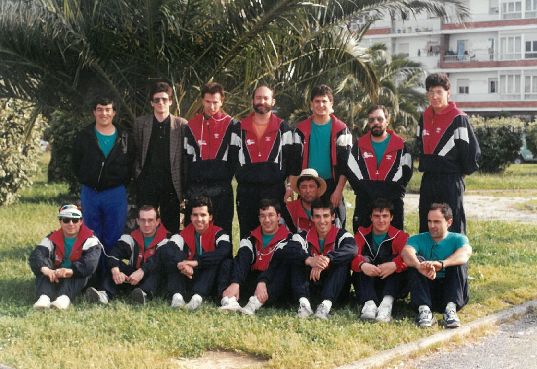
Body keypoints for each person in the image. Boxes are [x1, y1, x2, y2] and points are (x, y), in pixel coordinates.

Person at [71, 95, 134, 271]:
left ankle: (111, 274)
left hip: (115, 193)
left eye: (107, 109)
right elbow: (76, 163)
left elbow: (131, 162)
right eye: (99, 109)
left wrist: (120, 180)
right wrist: (88, 179)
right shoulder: (84, 135)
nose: (103, 113)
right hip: (90, 192)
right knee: (91, 235)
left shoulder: (124, 135)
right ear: (94, 112)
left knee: (113, 235)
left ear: (114, 112)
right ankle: (94, 274)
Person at [232, 85, 301, 238]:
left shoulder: (284, 129)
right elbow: (231, 160)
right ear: (252, 100)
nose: (261, 101)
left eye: (265, 98)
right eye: (258, 98)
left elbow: (293, 162)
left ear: (273, 101)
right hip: (246, 192)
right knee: (248, 235)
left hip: (274, 190)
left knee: (276, 234)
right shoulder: (238, 128)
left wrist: (290, 186)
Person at [417, 73, 480, 234]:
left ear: (448, 93)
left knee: (453, 221)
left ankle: (456, 259)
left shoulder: (458, 118)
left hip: (450, 179)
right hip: (429, 179)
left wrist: (458, 175)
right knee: (427, 220)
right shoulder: (423, 117)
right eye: (431, 92)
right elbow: (419, 145)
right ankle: (426, 257)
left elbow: (471, 151)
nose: (435, 96)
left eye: (439, 92)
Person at [402, 203, 472, 328]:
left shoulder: (458, 239)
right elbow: (406, 253)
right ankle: (424, 311)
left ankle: (450, 310)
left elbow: (465, 253)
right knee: (414, 262)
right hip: (427, 290)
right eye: (429, 221)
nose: (432, 226)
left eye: (437, 222)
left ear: (449, 222)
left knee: (459, 263)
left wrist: (442, 264)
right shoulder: (418, 239)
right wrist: (420, 266)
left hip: (451, 290)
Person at [285, 198, 357, 319]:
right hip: (310, 288)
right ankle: (304, 304)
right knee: (297, 259)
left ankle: (325, 306)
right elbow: (289, 250)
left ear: (333, 217)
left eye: (326, 216)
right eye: (317, 216)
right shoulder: (302, 236)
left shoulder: (343, 235)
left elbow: (352, 249)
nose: (322, 221)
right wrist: (309, 260)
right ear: (312, 218)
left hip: (337, 291)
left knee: (342, 263)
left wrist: (327, 259)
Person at [183, 82, 239, 238]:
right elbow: (187, 160)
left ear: (222, 101)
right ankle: (193, 262)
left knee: (222, 234)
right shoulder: (191, 126)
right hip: (197, 190)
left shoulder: (232, 125)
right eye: (208, 102)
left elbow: (235, 160)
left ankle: (223, 262)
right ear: (202, 100)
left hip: (222, 190)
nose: (212, 106)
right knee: (194, 234)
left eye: (215, 102)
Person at [220, 199, 293, 314]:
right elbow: (243, 259)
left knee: (284, 266)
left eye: (271, 215)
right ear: (259, 218)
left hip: (271, 282)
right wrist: (236, 282)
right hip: (253, 279)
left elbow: (276, 264)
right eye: (263, 216)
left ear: (278, 217)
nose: (267, 220)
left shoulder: (288, 238)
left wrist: (262, 282)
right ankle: (229, 300)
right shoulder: (250, 237)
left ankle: (253, 304)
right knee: (228, 263)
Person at [346, 105, 412, 233]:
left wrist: (389, 193)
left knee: (394, 242)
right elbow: (351, 172)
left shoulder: (401, 145)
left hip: (392, 202)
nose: (376, 123)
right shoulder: (358, 146)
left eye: (380, 119)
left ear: (387, 121)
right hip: (365, 201)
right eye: (371, 120)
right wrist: (368, 191)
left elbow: (406, 173)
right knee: (362, 241)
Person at [85, 205, 169, 305]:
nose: (146, 224)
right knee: (114, 265)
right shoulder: (131, 237)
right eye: (142, 220)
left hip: (155, 279)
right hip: (134, 277)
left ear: (157, 221)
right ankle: (104, 295)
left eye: (150, 220)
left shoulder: (167, 238)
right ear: (137, 221)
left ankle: (143, 295)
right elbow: (114, 253)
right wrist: (116, 270)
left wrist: (142, 271)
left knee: (157, 270)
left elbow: (159, 259)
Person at [295, 85, 352, 228]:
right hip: (308, 184)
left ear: (331, 104)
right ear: (311, 104)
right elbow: (293, 161)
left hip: (332, 185)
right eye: (317, 101)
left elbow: (345, 164)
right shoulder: (300, 130)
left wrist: (338, 190)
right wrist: (291, 185)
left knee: (336, 226)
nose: (321, 105)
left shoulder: (342, 130)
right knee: (306, 226)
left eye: (324, 101)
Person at [160, 196, 231, 310]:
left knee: (218, 260)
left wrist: (197, 262)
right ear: (191, 217)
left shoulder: (220, 233)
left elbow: (225, 250)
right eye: (195, 215)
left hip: (209, 280)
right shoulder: (183, 234)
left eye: (203, 215)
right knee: (174, 255)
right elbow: (168, 249)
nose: (199, 219)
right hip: (188, 277)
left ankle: (197, 298)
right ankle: (177, 297)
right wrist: (182, 264)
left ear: (210, 217)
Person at [133, 81, 187, 234]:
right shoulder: (141, 124)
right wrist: (138, 175)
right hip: (147, 183)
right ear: (151, 102)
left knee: (171, 228)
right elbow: (136, 151)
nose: (161, 103)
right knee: (145, 225)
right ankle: (144, 256)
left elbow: (185, 158)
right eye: (157, 100)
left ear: (170, 101)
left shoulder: (181, 125)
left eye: (164, 99)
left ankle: (170, 256)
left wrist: (184, 186)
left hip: (171, 185)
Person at [29, 205, 102, 309]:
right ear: (60, 221)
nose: (71, 224)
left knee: (81, 271)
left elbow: (90, 264)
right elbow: (36, 255)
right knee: (44, 265)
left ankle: (64, 299)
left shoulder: (91, 240)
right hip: (56, 275)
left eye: (75, 220)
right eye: (66, 220)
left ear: (81, 221)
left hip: (78, 277)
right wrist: (46, 269)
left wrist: (69, 271)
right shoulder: (52, 238)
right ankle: (44, 297)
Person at [350, 198, 409, 322]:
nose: (381, 220)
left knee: (396, 260)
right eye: (376, 216)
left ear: (391, 217)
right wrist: (362, 265)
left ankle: (386, 305)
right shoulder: (361, 233)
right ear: (371, 217)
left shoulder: (400, 235)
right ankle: (369, 304)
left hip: (391, 284)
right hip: (368, 281)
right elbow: (352, 255)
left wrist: (394, 265)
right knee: (362, 261)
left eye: (385, 216)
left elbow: (409, 257)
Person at [284, 168, 327, 233]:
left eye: (311, 186)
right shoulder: (289, 208)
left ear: (317, 189)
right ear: (299, 190)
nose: (308, 191)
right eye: (303, 187)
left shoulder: (327, 209)